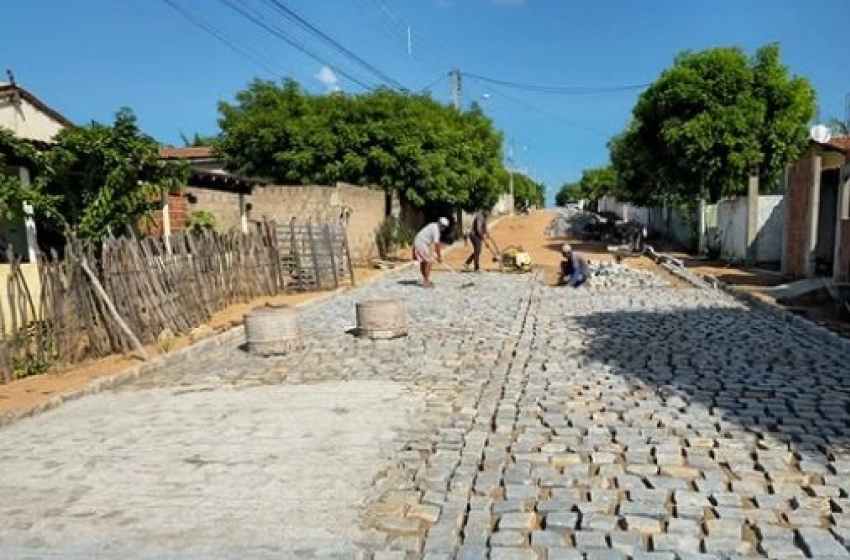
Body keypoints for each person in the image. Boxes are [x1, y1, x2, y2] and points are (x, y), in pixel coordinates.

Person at [413, 217, 450, 288]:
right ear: (439, 223)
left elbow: (429, 239)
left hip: (419, 241)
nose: (443, 228)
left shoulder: (433, 225)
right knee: (429, 261)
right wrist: (439, 256)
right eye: (443, 226)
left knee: (424, 262)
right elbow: (437, 244)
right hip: (421, 243)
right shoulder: (436, 230)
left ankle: (426, 279)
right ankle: (426, 282)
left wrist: (430, 251)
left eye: (444, 227)